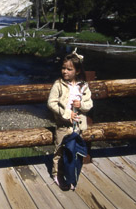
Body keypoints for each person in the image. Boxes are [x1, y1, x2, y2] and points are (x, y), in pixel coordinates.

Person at [47, 48, 93, 190]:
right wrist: (67, 114)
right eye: (63, 68)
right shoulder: (58, 85)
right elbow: (51, 103)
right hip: (63, 125)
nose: (65, 71)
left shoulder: (83, 86)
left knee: (73, 152)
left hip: (77, 127)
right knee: (60, 151)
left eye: (69, 69)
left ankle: (71, 175)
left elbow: (90, 104)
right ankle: (57, 174)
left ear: (77, 71)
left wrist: (81, 105)